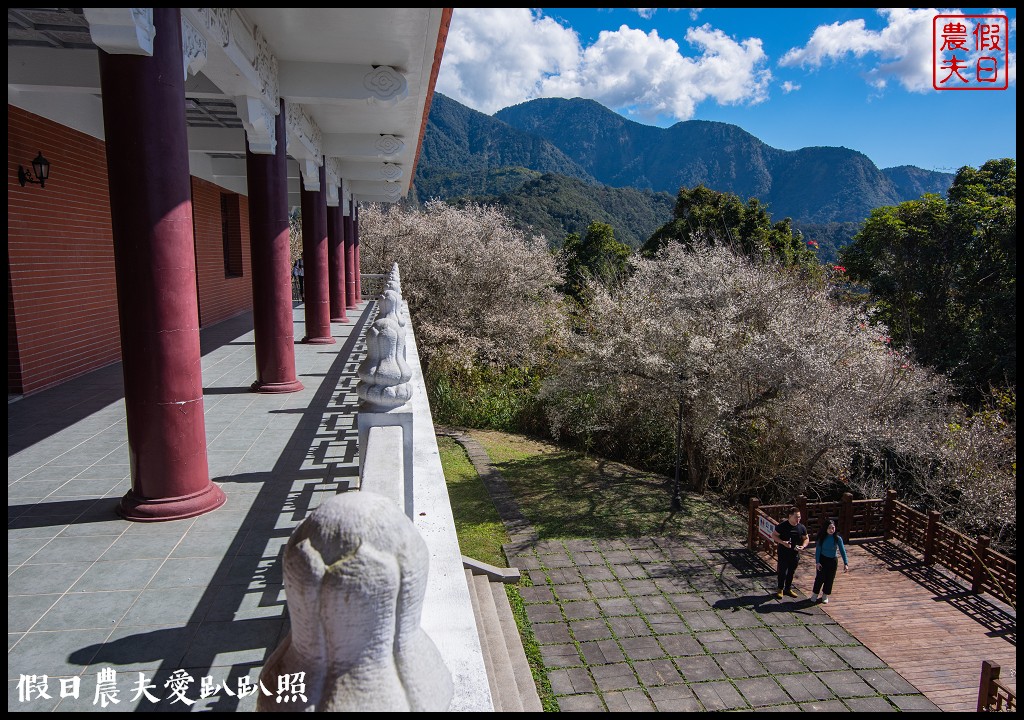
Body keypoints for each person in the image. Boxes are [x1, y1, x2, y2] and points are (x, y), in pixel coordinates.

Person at [771, 506, 808, 599]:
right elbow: (774, 535)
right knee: (782, 571)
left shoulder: (801, 527)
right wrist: (783, 542)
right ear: (790, 516)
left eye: (799, 517)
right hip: (784, 553)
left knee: (791, 571)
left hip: (795, 553)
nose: (798, 519)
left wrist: (803, 546)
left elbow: (806, 538)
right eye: (796, 517)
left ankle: (788, 588)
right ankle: (780, 588)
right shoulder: (782, 526)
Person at [812, 517, 849, 604]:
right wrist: (817, 562)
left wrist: (845, 563)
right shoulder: (822, 538)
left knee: (830, 578)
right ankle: (815, 593)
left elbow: (842, 550)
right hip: (823, 559)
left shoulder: (837, 538)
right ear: (825, 528)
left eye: (833, 528)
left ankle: (825, 595)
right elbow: (818, 551)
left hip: (833, 560)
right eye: (829, 528)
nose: (831, 530)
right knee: (820, 578)